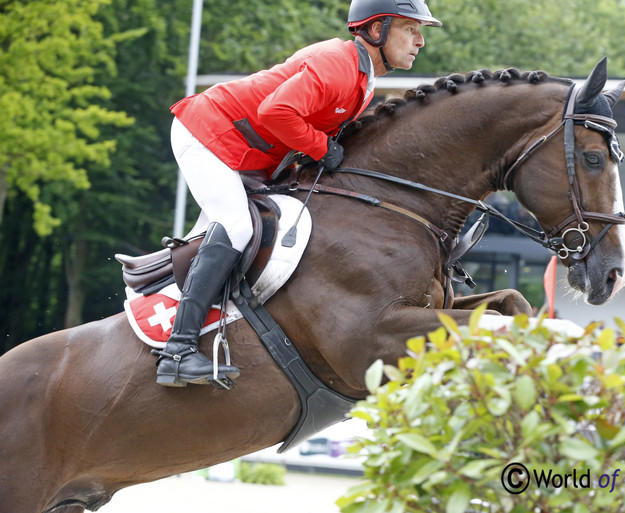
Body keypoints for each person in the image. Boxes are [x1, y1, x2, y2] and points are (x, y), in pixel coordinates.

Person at [153, 0, 443, 387]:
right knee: (236, 228)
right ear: (377, 29)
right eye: (410, 29)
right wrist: (323, 149)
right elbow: (277, 112)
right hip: (209, 132)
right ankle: (177, 351)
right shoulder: (338, 64)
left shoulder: (362, 78)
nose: (420, 41)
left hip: (247, 150)